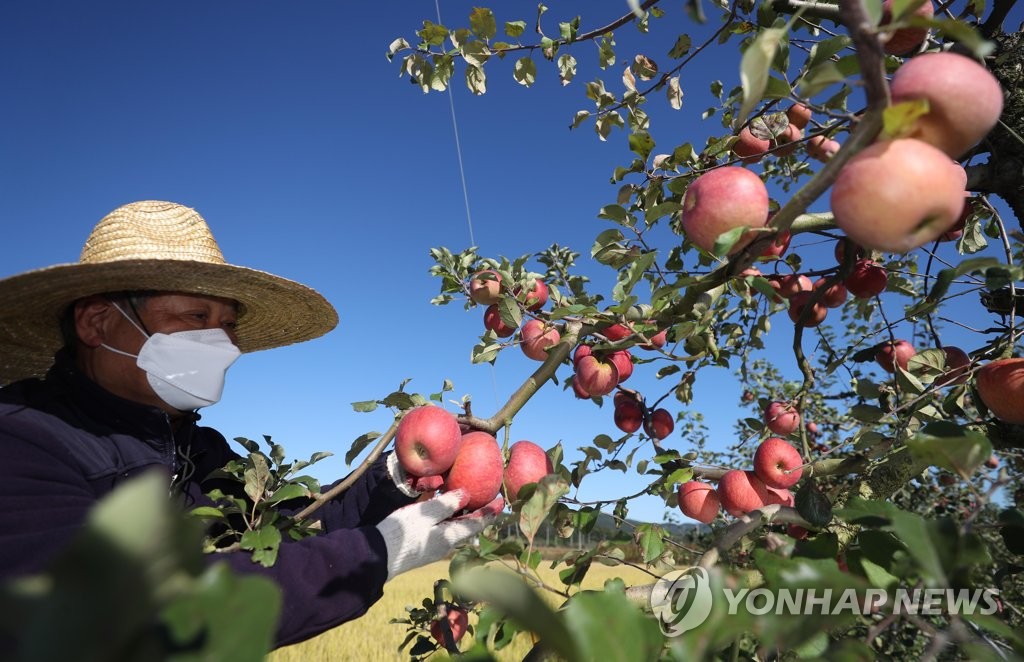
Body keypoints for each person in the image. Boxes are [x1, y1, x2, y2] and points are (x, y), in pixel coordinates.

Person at [0, 200, 501, 648]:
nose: (221, 343)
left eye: (227, 325)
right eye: (196, 316)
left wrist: (392, 480)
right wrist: (380, 550)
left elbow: (298, 525)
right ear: (95, 322)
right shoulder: (22, 441)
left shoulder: (199, 453)